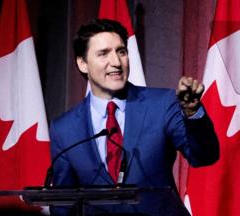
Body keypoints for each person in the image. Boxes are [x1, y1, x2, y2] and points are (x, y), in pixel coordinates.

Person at [49, 19, 219, 216]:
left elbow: (204, 156)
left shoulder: (162, 104)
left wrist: (192, 112)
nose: (116, 62)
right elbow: (63, 204)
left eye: (121, 52)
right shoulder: (64, 129)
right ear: (83, 63)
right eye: (103, 53)